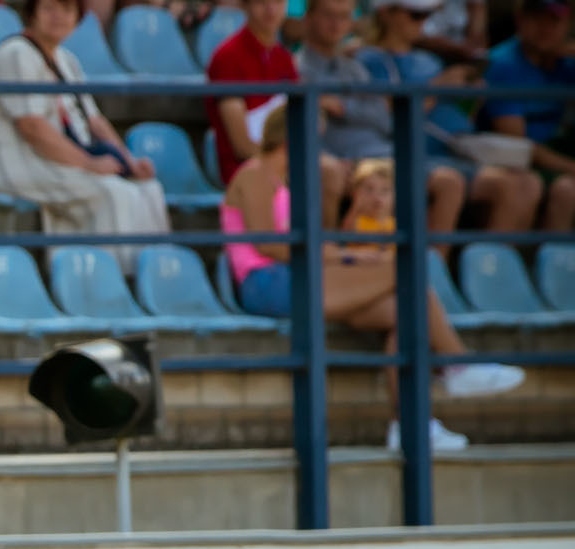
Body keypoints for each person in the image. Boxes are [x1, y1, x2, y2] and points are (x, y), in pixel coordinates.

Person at [223, 103, 523, 448]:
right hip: (267, 283)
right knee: (402, 268)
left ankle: (411, 425)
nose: (319, 148)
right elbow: (271, 247)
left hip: (295, 275)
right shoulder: (255, 172)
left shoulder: (282, 181)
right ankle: (456, 365)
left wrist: (344, 255)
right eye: (315, 139)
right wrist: (347, 254)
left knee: (406, 312)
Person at [331, 0, 551, 237]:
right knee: (450, 183)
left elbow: (460, 116)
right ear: (386, 15)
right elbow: (384, 118)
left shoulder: (431, 61)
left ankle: (491, 268)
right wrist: (438, 88)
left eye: (427, 16)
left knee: (527, 184)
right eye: (415, 15)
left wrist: (470, 95)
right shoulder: (367, 60)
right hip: (415, 155)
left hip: (457, 151)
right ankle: (433, 268)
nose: (422, 23)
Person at [0, 0, 168, 251]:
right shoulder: (15, 54)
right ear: (31, 15)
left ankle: (149, 278)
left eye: (67, 10)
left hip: (61, 159)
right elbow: (32, 127)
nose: (58, 16)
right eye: (49, 8)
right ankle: (111, 277)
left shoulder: (67, 60)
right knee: (113, 193)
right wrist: (89, 164)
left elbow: (95, 122)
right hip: (19, 162)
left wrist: (128, 161)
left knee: (148, 189)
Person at [206, 0, 348, 208]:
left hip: (285, 161)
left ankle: (324, 241)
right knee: (328, 172)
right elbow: (242, 146)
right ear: (246, 6)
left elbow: (303, 123)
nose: (271, 10)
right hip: (248, 168)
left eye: (277, 2)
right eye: (261, 3)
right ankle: (316, 241)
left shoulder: (283, 57)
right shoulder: (227, 56)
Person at [482, 0, 575, 227]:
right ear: (520, 19)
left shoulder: (567, 62)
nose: (545, 28)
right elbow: (518, 144)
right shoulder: (503, 64)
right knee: (568, 190)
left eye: (553, 20)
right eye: (537, 18)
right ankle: (555, 261)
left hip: (556, 150)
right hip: (510, 160)